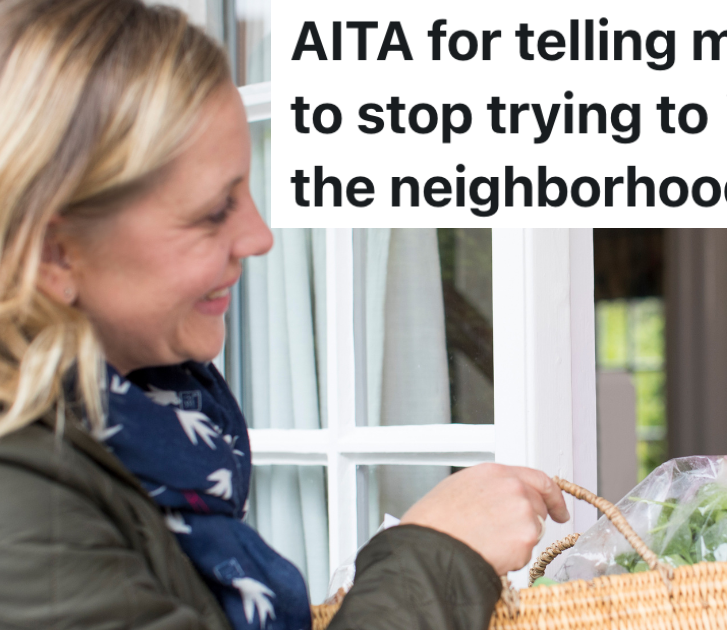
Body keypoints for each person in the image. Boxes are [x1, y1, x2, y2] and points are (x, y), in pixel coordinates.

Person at [0, 2, 568, 629]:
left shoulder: (158, 429)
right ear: (56, 252)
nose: (259, 236)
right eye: (212, 211)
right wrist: (439, 552)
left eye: (248, 191)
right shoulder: (21, 508)